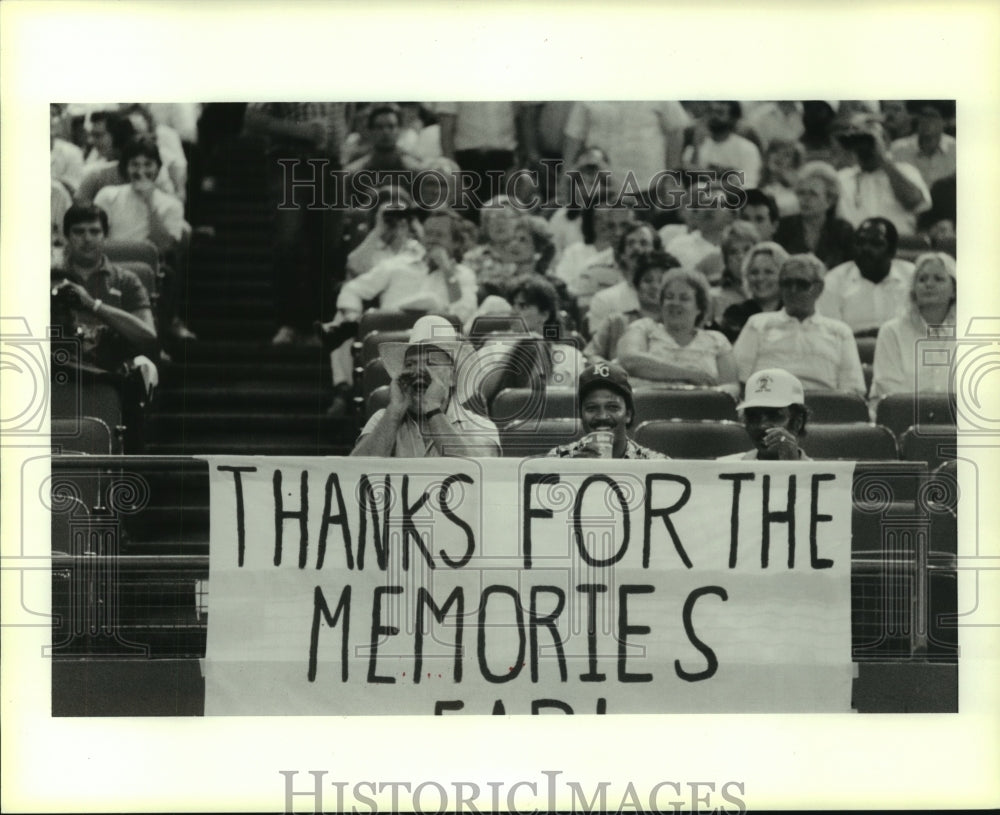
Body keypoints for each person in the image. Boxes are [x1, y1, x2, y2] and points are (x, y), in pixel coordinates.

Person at [243, 102, 347, 346]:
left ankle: (318, 325)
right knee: (288, 242)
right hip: (291, 162)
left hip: (331, 164)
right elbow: (252, 118)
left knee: (328, 245)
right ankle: (288, 323)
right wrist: (302, 130)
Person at [352, 315, 499, 457]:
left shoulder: (479, 426)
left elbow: (480, 471)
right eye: (410, 364)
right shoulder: (383, 420)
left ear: (452, 377)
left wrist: (433, 410)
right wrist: (395, 411)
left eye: (431, 363)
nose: (418, 372)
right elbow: (353, 472)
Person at [733, 253, 866, 395]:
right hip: (767, 406)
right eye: (787, 284)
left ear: (819, 288)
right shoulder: (758, 324)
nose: (793, 291)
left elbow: (853, 390)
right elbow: (739, 381)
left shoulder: (839, 331)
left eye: (802, 284)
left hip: (823, 408)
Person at [335, 209, 478, 326]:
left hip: (435, 342)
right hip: (389, 336)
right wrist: (352, 317)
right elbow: (352, 289)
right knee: (343, 318)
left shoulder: (464, 275)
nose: (432, 240)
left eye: (439, 235)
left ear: (456, 243)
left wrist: (447, 271)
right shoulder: (397, 264)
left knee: (431, 303)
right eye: (428, 234)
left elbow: (463, 316)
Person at [617, 267, 740, 397]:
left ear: (699, 307)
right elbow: (629, 360)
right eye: (669, 297)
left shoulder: (717, 340)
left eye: (684, 298)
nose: (675, 303)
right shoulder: (644, 328)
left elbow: (732, 387)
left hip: (703, 411)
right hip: (649, 408)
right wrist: (690, 374)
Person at [870, 251, 956, 404]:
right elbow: (889, 391)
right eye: (922, 279)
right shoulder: (892, 332)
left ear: (954, 291)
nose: (929, 284)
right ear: (913, 289)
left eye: (938, 279)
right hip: (904, 421)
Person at [546, 362, 667, 459]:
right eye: (591, 408)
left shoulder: (655, 464)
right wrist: (575, 470)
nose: (602, 416)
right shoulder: (559, 460)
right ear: (581, 415)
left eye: (612, 407)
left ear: (628, 414)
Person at [835, 113, 931, 236]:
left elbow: (915, 203)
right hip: (855, 246)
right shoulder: (842, 178)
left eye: (868, 140)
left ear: (886, 142)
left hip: (899, 245)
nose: (865, 146)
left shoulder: (906, 171)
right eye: (859, 140)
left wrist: (883, 160)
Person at [817, 217, 915, 337]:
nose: (865, 249)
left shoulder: (913, 277)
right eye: (860, 242)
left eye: (876, 244)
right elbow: (830, 335)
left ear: (892, 251)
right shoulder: (833, 281)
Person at [583, 250, 679, 364]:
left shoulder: (680, 325)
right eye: (648, 281)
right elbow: (589, 356)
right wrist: (611, 370)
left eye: (662, 281)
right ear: (636, 286)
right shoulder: (616, 322)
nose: (655, 286)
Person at [584, 220, 663, 335]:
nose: (636, 248)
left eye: (644, 243)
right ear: (622, 254)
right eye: (630, 243)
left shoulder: (669, 296)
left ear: (657, 252)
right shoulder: (604, 299)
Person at [773, 160, 856, 270]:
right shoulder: (783, 227)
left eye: (813, 194)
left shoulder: (843, 231)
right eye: (801, 193)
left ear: (829, 200)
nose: (805, 200)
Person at [718, 368, 811, 461]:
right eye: (753, 417)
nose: (762, 426)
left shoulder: (821, 473)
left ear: (797, 423)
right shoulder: (723, 468)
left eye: (774, 416)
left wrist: (794, 465)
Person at [714, 241, 789, 342]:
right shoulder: (735, 314)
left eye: (768, 272)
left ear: (784, 276)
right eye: (754, 272)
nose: (760, 278)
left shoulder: (794, 313)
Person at [687, 101, 762, 188]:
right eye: (711, 112)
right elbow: (688, 179)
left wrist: (711, 185)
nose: (713, 117)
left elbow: (748, 185)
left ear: (733, 119)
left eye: (720, 113)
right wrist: (696, 148)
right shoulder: (698, 143)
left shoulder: (748, 149)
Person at [890, 101, 956, 188]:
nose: (926, 120)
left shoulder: (955, 149)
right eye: (923, 115)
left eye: (932, 116)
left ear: (944, 121)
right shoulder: (899, 149)